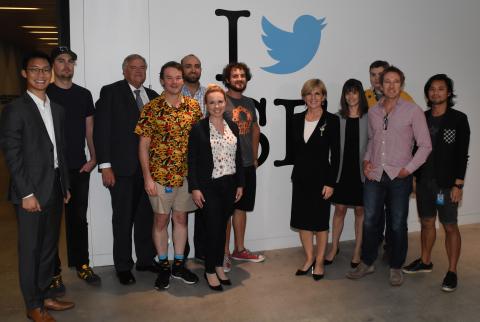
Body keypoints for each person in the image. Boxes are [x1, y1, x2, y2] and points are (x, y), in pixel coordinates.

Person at [0, 51, 74, 322]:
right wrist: (26, 193)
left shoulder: (56, 108)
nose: (41, 75)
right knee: (30, 251)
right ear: (24, 74)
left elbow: (60, 151)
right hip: (30, 192)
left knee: (48, 248)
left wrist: (64, 184)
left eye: (45, 70)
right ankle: (32, 305)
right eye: (34, 70)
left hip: (54, 187)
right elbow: (12, 154)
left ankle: (44, 296)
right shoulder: (15, 110)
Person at [347, 66, 432, 286]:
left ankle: (396, 266)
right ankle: (367, 262)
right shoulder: (374, 111)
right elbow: (372, 142)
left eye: (396, 82)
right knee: (370, 223)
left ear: (401, 84)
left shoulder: (413, 110)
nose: (391, 86)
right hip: (375, 176)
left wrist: (408, 169)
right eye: (387, 82)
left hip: (399, 177)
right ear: (380, 85)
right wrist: (366, 161)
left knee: (397, 224)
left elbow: (425, 146)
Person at [135, 61, 202, 290]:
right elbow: (143, 146)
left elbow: (199, 144)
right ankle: (163, 265)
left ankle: (179, 265)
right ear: (162, 80)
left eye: (178, 77)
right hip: (159, 176)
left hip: (186, 177)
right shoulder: (151, 108)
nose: (174, 82)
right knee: (161, 221)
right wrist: (147, 178)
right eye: (169, 77)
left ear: (183, 80)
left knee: (181, 219)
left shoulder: (193, 108)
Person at [94, 54, 158, 285]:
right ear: (124, 71)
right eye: (133, 68)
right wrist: (105, 166)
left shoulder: (153, 96)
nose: (139, 71)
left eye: (143, 67)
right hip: (121, 170)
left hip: (149, 173)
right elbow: (101, 131)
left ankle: (145, 260)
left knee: (145, 218)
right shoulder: (110, 92)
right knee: (122, 220)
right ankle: (123, 265)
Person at [403, 74, 470, 292]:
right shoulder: (420, 117)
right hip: (424, 183)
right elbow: (413, 150)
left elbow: (462, 154)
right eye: (432, 89)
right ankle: (425, 261)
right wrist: (413, 177)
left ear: (448, 93)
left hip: (446, 185)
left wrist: (458, 185)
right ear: (427, 93)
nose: (436, 93)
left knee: (450, 226)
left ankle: (452, 271)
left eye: (441, 89)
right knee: (427, 223)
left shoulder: (458, 119)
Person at [46, 46, 100, 293]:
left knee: (79, 219)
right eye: (60, 61)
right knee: (52, 223)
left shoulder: (84, 94)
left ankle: (82, 264)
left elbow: (90, 129)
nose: (66, 66)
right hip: (52, 169)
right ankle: (53, 272)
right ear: (53, 66)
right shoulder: (44, 93)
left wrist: (94, 157)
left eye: (70, 61)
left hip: (79, 168)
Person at [188, 84, 244, 291]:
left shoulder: (233, 126)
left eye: (220, 101)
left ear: (225, 103)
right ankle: (210, 270)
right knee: (212, 230)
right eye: (212, 102)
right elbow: (191, 161)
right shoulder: (198, 128)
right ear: (206, 105)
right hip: (208, 186)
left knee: (222, 229)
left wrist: (240, 183)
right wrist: (194, 188)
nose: (217, 105)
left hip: (229, 185)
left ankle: (219, 265)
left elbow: (238, 157)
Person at [364, 60, 415, 259]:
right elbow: (371, 138)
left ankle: (393, 254)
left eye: (380, 75)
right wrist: (366, 161)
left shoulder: (408, 103)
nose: (377, 79)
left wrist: (411, 170)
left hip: (398, 171)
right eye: (373, 75)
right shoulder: (367, 99)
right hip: (374, 169)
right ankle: (371, 255)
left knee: (396, 219)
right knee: (372, 218)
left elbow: (417, 141)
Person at [290, 79, 340, 281]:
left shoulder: (332, 120)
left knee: (320, 224)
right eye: (309, 94)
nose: (313, 98)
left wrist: (331, 182)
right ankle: (309, 258)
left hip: (322, 180)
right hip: (301, 178)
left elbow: (336, 155)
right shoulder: (295, 119)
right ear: (304, 97)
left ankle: (319, 262)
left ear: (324, 97)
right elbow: (296, 150)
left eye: (317, 94)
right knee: (302, 221)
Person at [222, 62, 265, 272]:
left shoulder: (248, 102)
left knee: (241, 209)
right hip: (228, 167)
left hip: (247, 165)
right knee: (225, 211)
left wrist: (254, 157)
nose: (239, 79)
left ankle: (239, 249)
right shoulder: (221, 100)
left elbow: (255, 129)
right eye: (235, 76)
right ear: (228, 79)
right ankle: (224, 254)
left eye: (242, 76)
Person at [324, 79, 368, 268]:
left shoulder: (369, 117)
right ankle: (334, 247)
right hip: (341, 172)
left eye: (355, 92)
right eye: (347, 92)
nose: (351, 96)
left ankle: (358, 250)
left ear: (360, 94)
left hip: (362, 174)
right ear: (344, 96)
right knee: (339, 209)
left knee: (360, 211)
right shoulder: (336, 117)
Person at [180, 54, 207, 261]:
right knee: (180, 212)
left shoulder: (209, 95)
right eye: (188, 66)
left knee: (204, 209)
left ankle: (203, 253)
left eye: (196, 66)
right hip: (178, 162)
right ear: (181, 70)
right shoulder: (172, 94)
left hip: (205, 161)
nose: (193, 70)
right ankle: (182, 255)